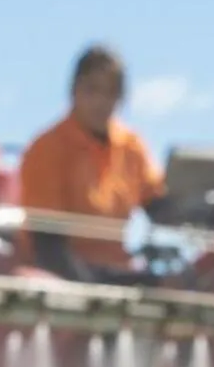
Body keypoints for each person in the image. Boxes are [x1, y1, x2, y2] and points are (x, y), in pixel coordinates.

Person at [15, 44, 167, 281]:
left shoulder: (131, 146)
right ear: (74, 91)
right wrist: (91, 294)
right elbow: (47, 245)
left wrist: (201, 209)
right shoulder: (46, 148)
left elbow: (160, 206)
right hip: (58, 277)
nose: (102, 102)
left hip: (118, 272)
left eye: (111, 92)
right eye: (92, 90)